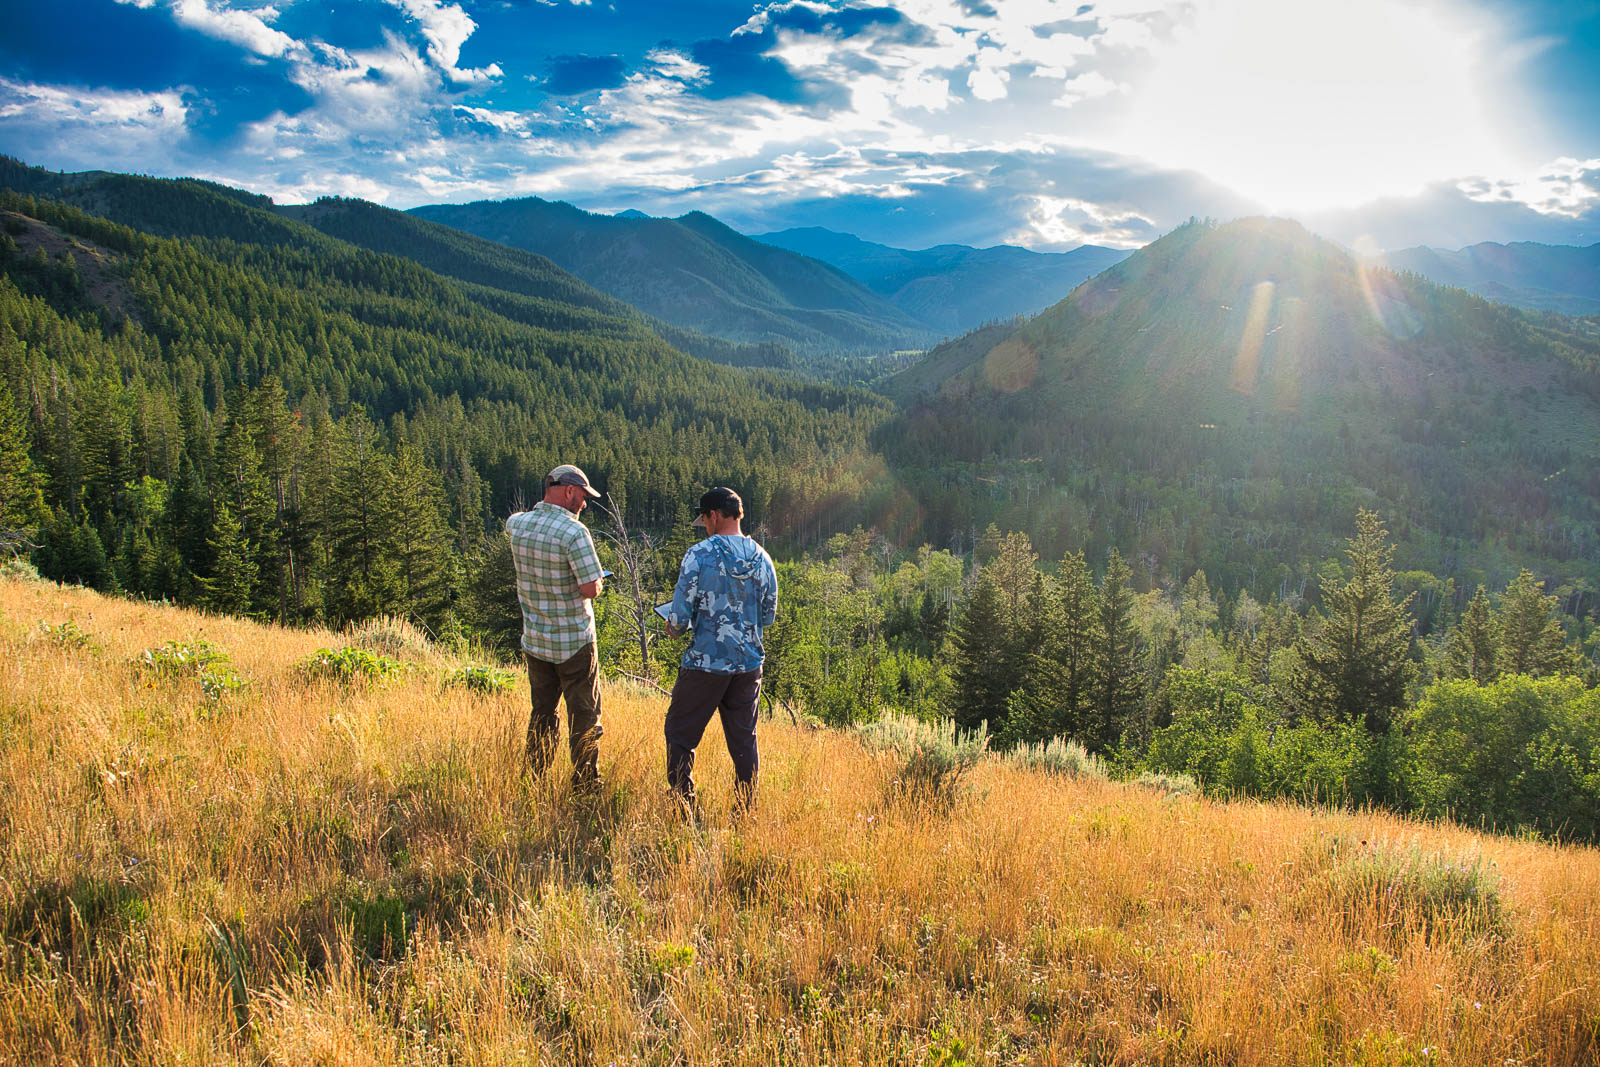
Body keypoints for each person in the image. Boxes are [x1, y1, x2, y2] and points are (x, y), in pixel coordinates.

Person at [663, 486, 778, 812]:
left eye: (705, 519)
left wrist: (671, 626)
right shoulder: (763, 558)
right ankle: (745, 812)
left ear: (713, 515)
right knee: (744, 742)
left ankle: (683, 808)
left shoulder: (699, 555)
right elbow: (767, 616)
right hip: (747, 666)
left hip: (705, 664)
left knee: (680, 735)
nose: (705, 525)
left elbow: (680, 619)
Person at [506, 463, 605, 788]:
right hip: (574, 643)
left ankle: (534, 777)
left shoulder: (517, 526)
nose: (584, 504)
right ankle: (585, 783)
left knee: (543, 713)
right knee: (584, 716)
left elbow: (515, 523)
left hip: (535, 641)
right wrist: (596, 584)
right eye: (583, 497)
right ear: (569, 491)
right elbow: (591, 588)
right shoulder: (574, 533)